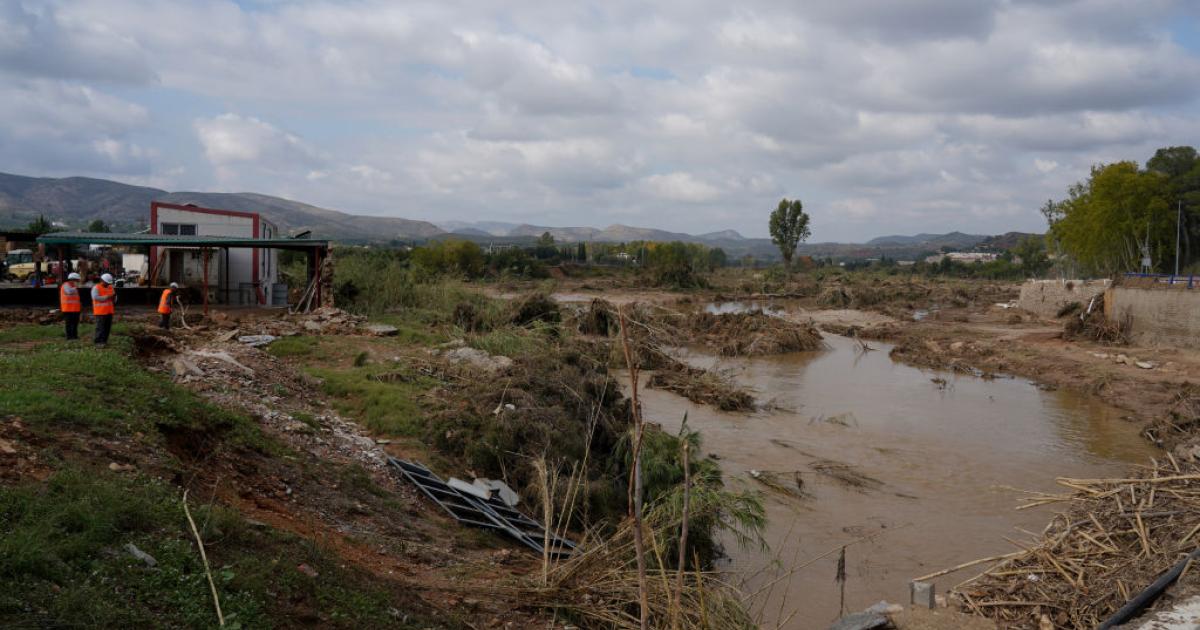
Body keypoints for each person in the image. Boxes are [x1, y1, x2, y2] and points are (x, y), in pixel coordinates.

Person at [92, 273, 116, 346]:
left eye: (109, 283)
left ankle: (104, 341)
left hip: (109, 311)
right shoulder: (96, 288)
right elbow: (96, 297)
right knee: (100, 328)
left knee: (107, 328)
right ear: (102, 280)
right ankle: (98, 342)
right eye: (107, 282)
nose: (108, 284)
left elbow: (114, 297)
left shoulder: (110, 287)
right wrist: (107, 297)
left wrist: (114, 298)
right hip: (100, 312)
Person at [60, 272, 82, 340]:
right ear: (72, 279)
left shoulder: (73, 287)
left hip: (75, 309)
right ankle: (69, 337)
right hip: (67, 309)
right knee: (69, 324)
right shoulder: (66, 285)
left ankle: (74, 336)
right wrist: (76, 287)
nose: (78, 282)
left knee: (75, 324)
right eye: (77, 280)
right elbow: (69, 292)